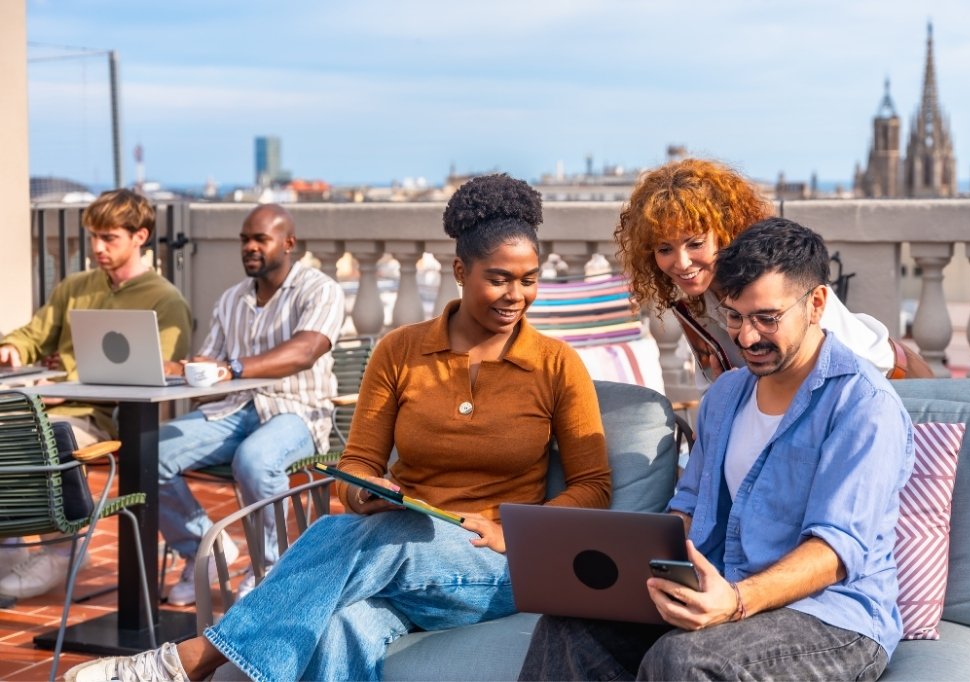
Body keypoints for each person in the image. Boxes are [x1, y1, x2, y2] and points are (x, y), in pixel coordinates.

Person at [66, 173, 612, 682]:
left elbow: (594, 487)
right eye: (499, 279)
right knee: (340, 628)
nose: (516, 296)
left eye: (529, 280)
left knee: (362, 540)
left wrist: (510, 530)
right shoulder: (400, 351)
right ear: (460, 271)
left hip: (499, 564)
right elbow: (357, 465)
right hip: (395, 550)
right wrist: (362, 493)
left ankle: (187, 662)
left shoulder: (556, 364)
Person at [519, 219, 915, 681]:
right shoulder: (726, 395)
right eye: (734, 316)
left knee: (684, 659)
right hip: (725, 592)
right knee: (570, 627)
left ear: (817, 304)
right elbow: (687, 508)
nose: (747, 338)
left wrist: (738, 601)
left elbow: (835, 550)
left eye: (767, 318)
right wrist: (631, 570)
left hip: (834, 619)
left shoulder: (862, 404)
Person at [0, 189, 191, 600]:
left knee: (41, 437)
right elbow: (35, 334)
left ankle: (63, 548)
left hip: (98, 417)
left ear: (140, 236)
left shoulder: (165, 300)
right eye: (93, 237)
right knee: (15, 433)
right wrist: (13, 348)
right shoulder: (76, 287)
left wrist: (62, 384)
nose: (97, 248)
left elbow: (155, 374)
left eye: (109, 238)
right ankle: (10, 543)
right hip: (52, 404)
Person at [158, 203, 345, 606]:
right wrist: (171, 367)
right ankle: (204, 551)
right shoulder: (231, 300)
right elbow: (212, 365)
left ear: (289, 243)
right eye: (245, 239)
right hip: (235, 408)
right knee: (149, 451)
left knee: (255, 460)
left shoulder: (320, 289)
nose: (250, 247)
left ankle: (266, 569)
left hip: (297, 411)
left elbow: (306, 350)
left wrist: (234, 367)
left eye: (260, 238)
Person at [616, 157, 932, 384]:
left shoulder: (777, 285)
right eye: (664, 249)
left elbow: (840, 377)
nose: (681, 263)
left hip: (897, 386)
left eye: (695, 243)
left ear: (725, 233)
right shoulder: (697, 306)